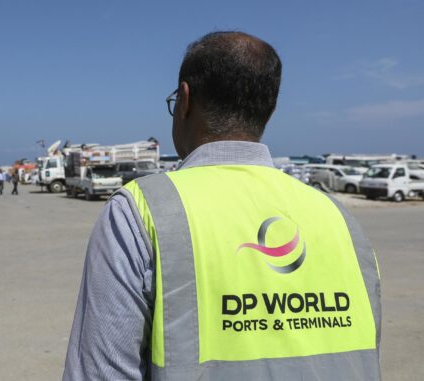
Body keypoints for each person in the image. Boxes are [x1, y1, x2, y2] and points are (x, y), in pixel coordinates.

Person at [63, 31, 380, 380]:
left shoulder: (141, 211)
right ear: (268, 109)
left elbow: (101, 373)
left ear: (184, 100)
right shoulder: (340, 220)